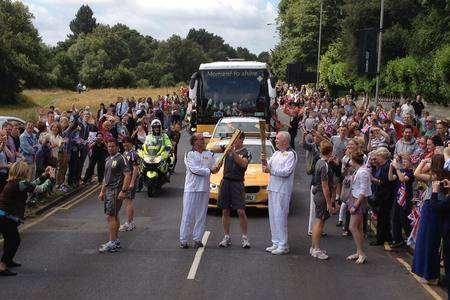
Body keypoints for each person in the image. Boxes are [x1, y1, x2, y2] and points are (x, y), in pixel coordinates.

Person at [0, 162, 54, 276]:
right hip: (6, 217)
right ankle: (2, 266)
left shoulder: (15, 182)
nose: (28, 171)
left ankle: (8, 261)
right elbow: (39, 189)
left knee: (9, 240)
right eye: (26, 170)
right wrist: (51, 179)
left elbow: (32, 185)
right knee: (14, 240)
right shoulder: (20, 183)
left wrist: (44, 176)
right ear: (22, 171)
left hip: (5, 216)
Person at [179, 133, 220, 248]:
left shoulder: (209, 154)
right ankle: (184, 240)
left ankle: (197, 239)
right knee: (187, 214)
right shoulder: (189, 154)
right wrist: (210, 170)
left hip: (204, 188)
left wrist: (216, 168)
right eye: (201, 139)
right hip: (191, 188)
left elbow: (214, 167)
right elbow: (194, 170)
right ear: (194, 141)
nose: (203, 140)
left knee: (201, 215)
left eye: (203, 139)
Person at [262, 131, 297, 255]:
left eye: (277, 139)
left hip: (283, 190)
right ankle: (276, 242)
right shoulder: (276, 153)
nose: (275, 140)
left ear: (285, 141)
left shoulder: (291, 155)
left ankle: (283, 245)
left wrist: (270, 169)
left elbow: (286, 172)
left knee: (280, 217)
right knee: (273, 216)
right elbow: (267, 169)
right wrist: (264, 162)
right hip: (273, 187)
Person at [217, 133, 251, 248]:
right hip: (226, 181)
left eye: (235, 138)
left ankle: (245, 238)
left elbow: (243, 164)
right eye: (232, 138)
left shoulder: (246, 152)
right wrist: (223, 147)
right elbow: (212, 148)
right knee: (225, 210)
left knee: (240, 211)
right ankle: (226, 237)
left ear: (241, 140)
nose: (233, 141)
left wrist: (233, 152)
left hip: (237, 183)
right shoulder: (228, 148)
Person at [98, 139, 131, 253]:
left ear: (117, 147)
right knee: (113, 215)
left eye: (113, 146)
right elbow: (105, 178)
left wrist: (123, 190)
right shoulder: (108, 159)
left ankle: (112, 242)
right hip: (108, 190)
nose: (110, 148)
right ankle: (115, 240)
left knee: (110, 216)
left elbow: (127, 175)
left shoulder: (121, 159)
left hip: (115, 190)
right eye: (109, 146)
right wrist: (102, 191)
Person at [310, 140, 335, 260]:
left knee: (318, 221)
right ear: (330, 151)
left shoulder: (320, 162)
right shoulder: (324, 166)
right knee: (319, 222)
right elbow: (325, 186)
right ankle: (316, 249)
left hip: (318, 194)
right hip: (321, 196)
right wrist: (329, 204)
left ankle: (314, 247)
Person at [347, 151, 371, 264]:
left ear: (354, 161)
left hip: (358, 200)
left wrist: (355, 205)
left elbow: (363, 191)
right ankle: (358, 252)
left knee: (352, 227)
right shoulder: (360, 170)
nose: (350, 161)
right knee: (359, 227)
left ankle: (361, 253)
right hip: (355, 198)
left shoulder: (363, 172)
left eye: (351, 159)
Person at [119, 137, 140, 232]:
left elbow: (135, 169)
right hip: (125, 181)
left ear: (131, 144)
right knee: (127, 201)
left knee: (128, 202)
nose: (125, 144)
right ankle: (130, 222)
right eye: (123, 143)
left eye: (127, 143)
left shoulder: (133, 154)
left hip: (130, 181)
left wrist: (132, 182)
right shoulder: (124, 153)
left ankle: (129, 223)